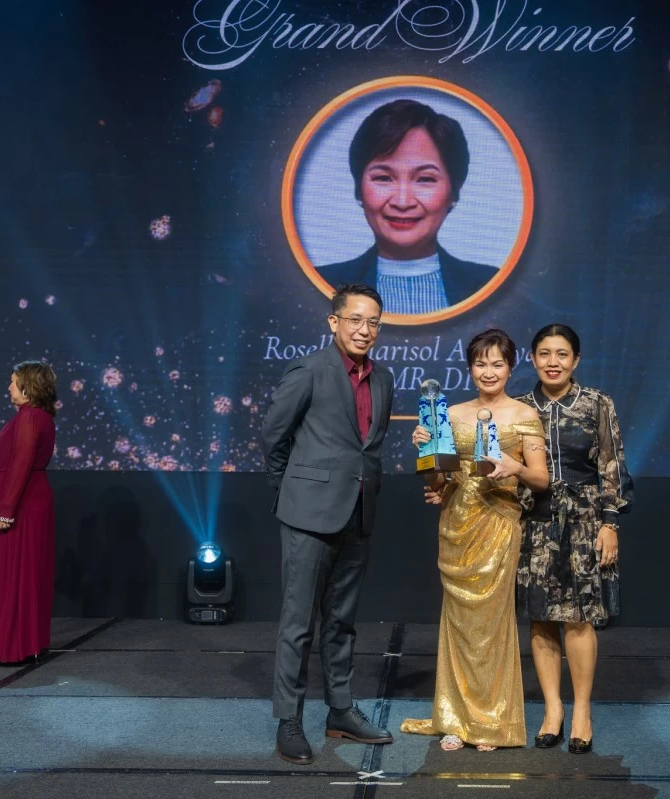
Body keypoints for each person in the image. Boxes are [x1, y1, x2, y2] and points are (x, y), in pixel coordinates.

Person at [261, 283, 396, 765]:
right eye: (355, 319)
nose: (365, 329)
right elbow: (273, 437)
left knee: (342, 622)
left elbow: (367, 449)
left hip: (358, 512)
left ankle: (340, 710)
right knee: (298, 624)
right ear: (334, 322)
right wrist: (288, 493)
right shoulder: (308, 370)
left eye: (373, 322)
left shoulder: (382, 379)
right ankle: (289, 721)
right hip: (307, 514)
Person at [403, 329, 548, 751]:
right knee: (460, 621)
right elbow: (437, 480)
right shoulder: (450, 414)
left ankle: (493, 723)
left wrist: (513, 466)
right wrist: (425, 450)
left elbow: (541, 479)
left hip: (500, 521)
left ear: (510, 367)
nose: (489, 371)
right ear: (470, 367)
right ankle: (457, 717)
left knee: (492, 623)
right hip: (457, 523)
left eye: (497, 363)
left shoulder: (524, 415)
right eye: (481, 363)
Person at [516, 324, 634, 754]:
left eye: (562, 354)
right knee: (541, 617)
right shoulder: (518, 407)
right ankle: (553, 710)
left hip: (585, 523)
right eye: (544, 353)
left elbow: (612, 466)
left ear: (576, 360)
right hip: (532, 523)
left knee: (579, 617)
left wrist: (610, 523)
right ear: (532, 358)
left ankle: (582, 710)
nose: (553, 361)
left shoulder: (597, 404)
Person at [316, 98, 498, 316]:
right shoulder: (317, 285)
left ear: (453, 193)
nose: (402, 202)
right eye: (383, 178)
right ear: (359, 189)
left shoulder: (493, 286)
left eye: (425, 179)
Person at [0, 360, 58, 664]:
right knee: (25, 571)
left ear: (27, 386)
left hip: (23, 503)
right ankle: (28, 641)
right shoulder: (38, 417)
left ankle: (15, 644)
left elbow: (22, 463)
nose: (8, 387)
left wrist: (5, 509)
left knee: (18, 571)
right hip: (29, 499)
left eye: (12, 382)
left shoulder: (30, 417)